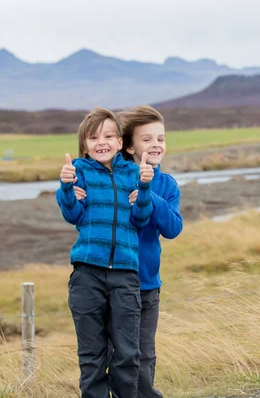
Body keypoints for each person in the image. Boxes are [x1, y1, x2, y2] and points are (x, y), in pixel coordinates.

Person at [74, 105, 183, 398]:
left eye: (161, 138)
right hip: (112, 279)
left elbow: (173, 228)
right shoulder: (116, 177)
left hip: (146, 283)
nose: (156, 145)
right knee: (105, 353)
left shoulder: (166, 184)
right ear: (129, 144)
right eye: (147, 139)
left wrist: (149, 193)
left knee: (140, 357)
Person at [57, 107, 155, 398]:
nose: (102, 142)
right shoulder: (78, 171)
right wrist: (65, 188)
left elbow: (141, 218)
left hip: (126, 275)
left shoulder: (133, 173)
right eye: (94, 137)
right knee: (92, 357)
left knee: (127, 354)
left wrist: (145, 190)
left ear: (119, 140)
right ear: (84, 143)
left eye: (109, 135)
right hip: (87, 274)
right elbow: (73, 214)